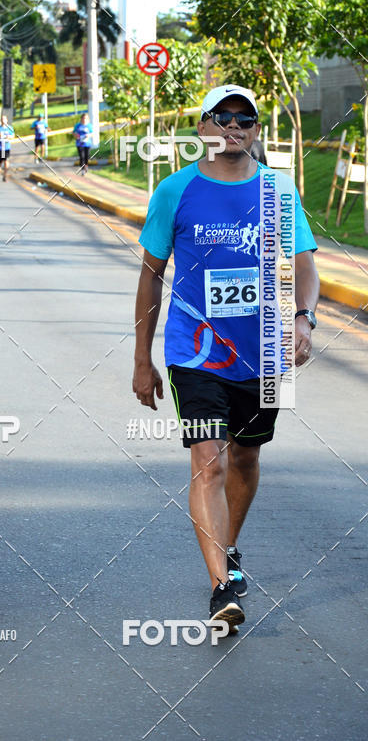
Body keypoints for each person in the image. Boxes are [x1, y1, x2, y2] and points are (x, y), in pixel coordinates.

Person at [132, 84, 319, 632]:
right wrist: (142, 359)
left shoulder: (279, 193)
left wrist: (303, 318)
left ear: (256, 130)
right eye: (223, 116)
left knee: (247, 457)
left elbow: (304, 265)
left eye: (245, 118)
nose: (234, 126)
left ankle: (228, 547)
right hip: (196, 351)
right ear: (204, 128)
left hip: (267, 353)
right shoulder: (175, 191)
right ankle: (220, 588)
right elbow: (150, 277)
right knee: (209, 460)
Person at [0, 114, 14, 181]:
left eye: (4, 119)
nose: (3, 120)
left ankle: (5, 175)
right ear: (0, 120)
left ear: (6, 120)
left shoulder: (9, 128)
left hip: (6, 147)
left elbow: (13, 136)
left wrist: (8, 137)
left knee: (6, 161)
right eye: (2, 119)